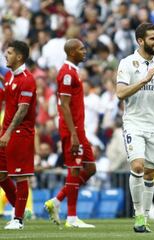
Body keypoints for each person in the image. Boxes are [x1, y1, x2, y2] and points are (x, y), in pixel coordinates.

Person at [116, 22, 154, 233]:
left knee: (150, 174)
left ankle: (145, 217)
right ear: (140, 41)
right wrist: (145, 79)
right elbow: (120, 93)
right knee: (138, 167)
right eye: (152, 39)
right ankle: (139, 215)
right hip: (134, 123)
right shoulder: (127, 63)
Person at [44, 39, 96, 228]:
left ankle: (56, 201)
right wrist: (73, 134)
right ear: (72, 52)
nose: (85, 51)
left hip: (78, 130)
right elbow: (64, 105)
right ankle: (72, 218)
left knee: (90, 169)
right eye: (82, 49)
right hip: (71, 130)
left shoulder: (73, 71)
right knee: (74, 169)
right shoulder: (66, 73)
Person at [0, 41, 36, 229]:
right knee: (1, 174)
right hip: (6, 133)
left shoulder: (27, 79)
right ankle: (19, 210)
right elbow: (7, 97)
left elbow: (22, 110)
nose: (6, 55)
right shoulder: (9, 77)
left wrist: (7, 132)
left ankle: (18, 219)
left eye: (9, 52)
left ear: (19, 57)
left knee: (21, 177)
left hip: (21, 133)